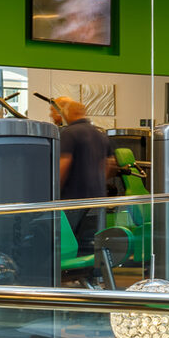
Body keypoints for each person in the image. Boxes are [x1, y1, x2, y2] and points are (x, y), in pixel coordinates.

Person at [52, 96, 111, 257]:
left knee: (67, 245)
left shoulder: (69, 133)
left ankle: (66, 271)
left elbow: (64, 164)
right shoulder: (99, 134)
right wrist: (97, 183)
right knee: (90, 245)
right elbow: (109, 164)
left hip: (73, 200)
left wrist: (53, 193)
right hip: (97, 200)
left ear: (68, 114)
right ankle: (89, 271)